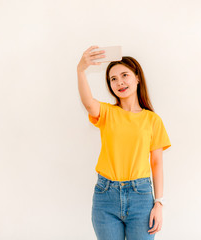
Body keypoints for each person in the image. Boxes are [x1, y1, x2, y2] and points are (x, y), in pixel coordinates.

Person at [77, 45, 171, 240]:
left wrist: (159, 203)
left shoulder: (152, 120)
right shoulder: (107, 113)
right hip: (106, 196)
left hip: (141, 197)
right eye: (113, 79)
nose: (119, 82)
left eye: (124, 75)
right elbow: (88, 103)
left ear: (137, 77)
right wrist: (81, 70)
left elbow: (156, 163)